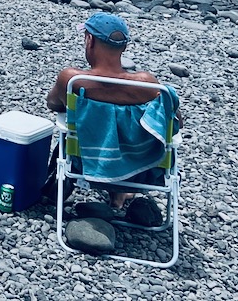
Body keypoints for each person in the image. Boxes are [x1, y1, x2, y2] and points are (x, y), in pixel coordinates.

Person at [45, 13, 167, 212]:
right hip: (141, 169)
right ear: (124, 47)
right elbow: (173, 121)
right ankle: (119, 193)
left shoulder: (73, 80)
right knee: (123, 127)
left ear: (89, 41)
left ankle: (53, 194)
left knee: (88, 128)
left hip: (88, 164)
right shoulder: (148, 84)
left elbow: (53, 104)